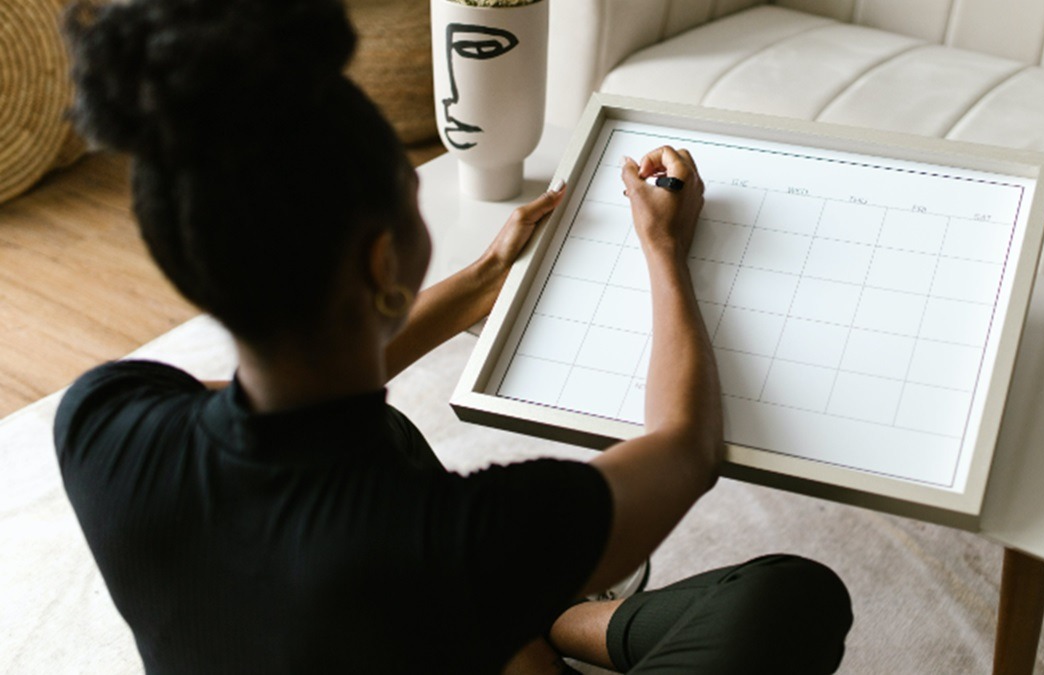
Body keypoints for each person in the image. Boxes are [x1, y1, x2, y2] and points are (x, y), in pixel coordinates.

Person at [53, 0, 853, 672]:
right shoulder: (460, 536)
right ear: (381, 258)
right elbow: (686, 447)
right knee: (792, 596)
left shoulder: (99, 419)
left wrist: (481, 279)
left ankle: (548, 623)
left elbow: (275, 408)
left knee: (383, 431)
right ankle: (556, 619)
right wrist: (664, 249)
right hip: (456, 593)